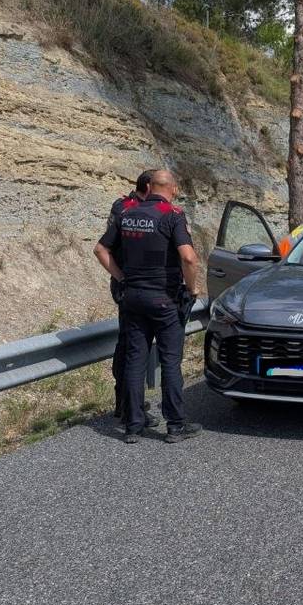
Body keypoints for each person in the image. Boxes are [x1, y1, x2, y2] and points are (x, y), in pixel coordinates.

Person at [94, 170, 203, 444]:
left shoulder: (126, 213)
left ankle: (133, 426)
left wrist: (121, 277)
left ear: (149, 187)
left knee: (134, 361)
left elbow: (100, 250)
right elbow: (188, 258)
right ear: (173, 189)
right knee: (170, 362)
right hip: (164, 300)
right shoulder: (173, 215)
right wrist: (192, 289)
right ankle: (175, 425)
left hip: (132, 298)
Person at [107, 171, 158, 427]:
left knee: (129, 344)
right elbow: (106, 248)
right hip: (131, 286)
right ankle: (128, 407)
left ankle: (127, 401)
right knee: (131, 346)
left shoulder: (126, 207)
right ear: (149, 187)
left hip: (132, 285)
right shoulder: (127, 208)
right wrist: (122, 278)